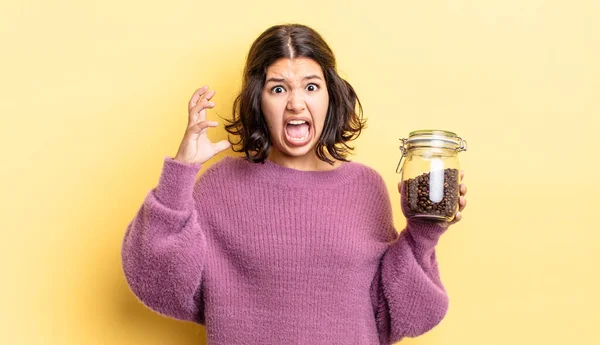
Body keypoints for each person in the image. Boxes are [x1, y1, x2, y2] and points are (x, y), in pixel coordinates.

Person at [121, 23, 468, 345]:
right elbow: (161, 285)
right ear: (259, 99)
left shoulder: (366, 187)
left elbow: (396, 315)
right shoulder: (220, 185)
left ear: (330, 95)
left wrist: (424, 233)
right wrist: (180, 174)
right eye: (278, 88)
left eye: (311, 86)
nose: (296, 103)